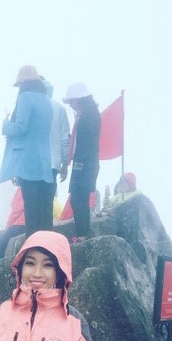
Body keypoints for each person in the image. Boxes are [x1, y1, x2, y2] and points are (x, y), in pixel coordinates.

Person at [0, 66, 54, 237]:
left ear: (22, 83)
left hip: (27, 160)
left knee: (30, 206)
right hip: (44, 159)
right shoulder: (46, 100)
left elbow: (21, 127)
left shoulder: (25, 97)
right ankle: (46, 240)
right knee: (43, 207)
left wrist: (5, 125)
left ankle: (32, 241)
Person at [63, 82, 101, 239]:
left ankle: (83, 234)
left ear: (79, 99)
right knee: (79, 198)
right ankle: (82, 233)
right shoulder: (88, 114)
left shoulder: (89, 116)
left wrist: (79, 163)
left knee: (79, 199)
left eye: (72, 101)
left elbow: (86, 142)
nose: (70, 105)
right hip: (85, 162)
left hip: (84, 163)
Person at [43, 79, 70, 201]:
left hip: (33, 164)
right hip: (53, 163)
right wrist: (65, 164)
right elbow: (65, 139)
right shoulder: (60, 109)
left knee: (32, 204)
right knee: (48, 202)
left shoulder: (30, 107)